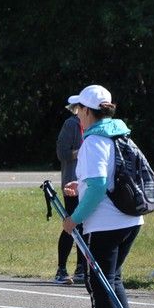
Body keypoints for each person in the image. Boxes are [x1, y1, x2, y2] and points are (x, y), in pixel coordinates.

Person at [61, 85, 142, 308]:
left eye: (77, 110)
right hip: (131, 219)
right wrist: (80, 184)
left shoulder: (94, 142)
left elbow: (96, 188)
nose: (76, 115)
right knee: (113, 278)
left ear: (87, 110)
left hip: (106, 223)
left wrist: (74, 219)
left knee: (99, 282)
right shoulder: (121, 135)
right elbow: (104, 180)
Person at [54, 105, 85, 284]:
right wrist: (83, 152)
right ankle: (61, 269)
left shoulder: (94, 127)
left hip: (87, 185)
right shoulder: (71, 124)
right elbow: (62, 153)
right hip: (72, 184)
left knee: (86, 227)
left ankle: (81, 267)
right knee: (71, 225)